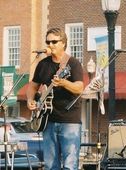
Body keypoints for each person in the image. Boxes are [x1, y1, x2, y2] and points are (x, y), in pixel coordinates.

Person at [26, 27, 84, 169]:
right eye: (48, 42)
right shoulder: (43, 64)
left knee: (70, 164)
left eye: (54, 42)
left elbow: (79, 88)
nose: (50, 45)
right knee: (51, 165)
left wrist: (63, 82)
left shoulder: (73, 64)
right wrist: (30, 100)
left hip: (69, 120)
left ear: (63, 43)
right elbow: (33, 87)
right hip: (48, 120)